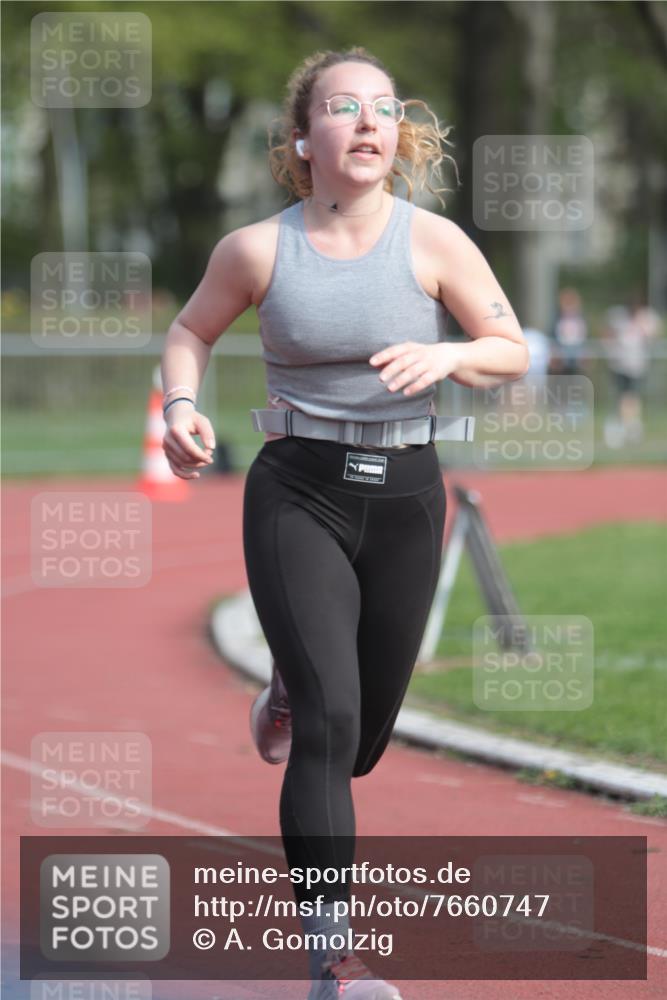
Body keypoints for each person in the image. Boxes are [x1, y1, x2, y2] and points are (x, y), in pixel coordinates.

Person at [161, 46, 528, 1000]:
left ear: (396, 136)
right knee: (327, 727)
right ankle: (335, 953)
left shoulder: (434, 243)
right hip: (298, 489)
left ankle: (292, 677)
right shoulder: (256, 249)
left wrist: (445, 360)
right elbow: (190, 331)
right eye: (342, 106)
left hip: (406, 492)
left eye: (383, 107)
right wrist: (177, 409)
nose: (368, 120)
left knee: (358, 739)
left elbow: (509, 349)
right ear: (303, 140)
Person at [601, 294, 661, 448]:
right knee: (622, 397)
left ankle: (631, 427)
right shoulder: (618, 317)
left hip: (637, 366)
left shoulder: (647, 319)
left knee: (631, 397)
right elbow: (607, 334)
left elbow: (652, 337)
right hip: (620, 365)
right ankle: (624, 427)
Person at [549, 286, 588, 376]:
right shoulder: (556, 318)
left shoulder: (581, 319)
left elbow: (584, 339)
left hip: (576, 357)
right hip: (561, 358)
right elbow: (552, 338)